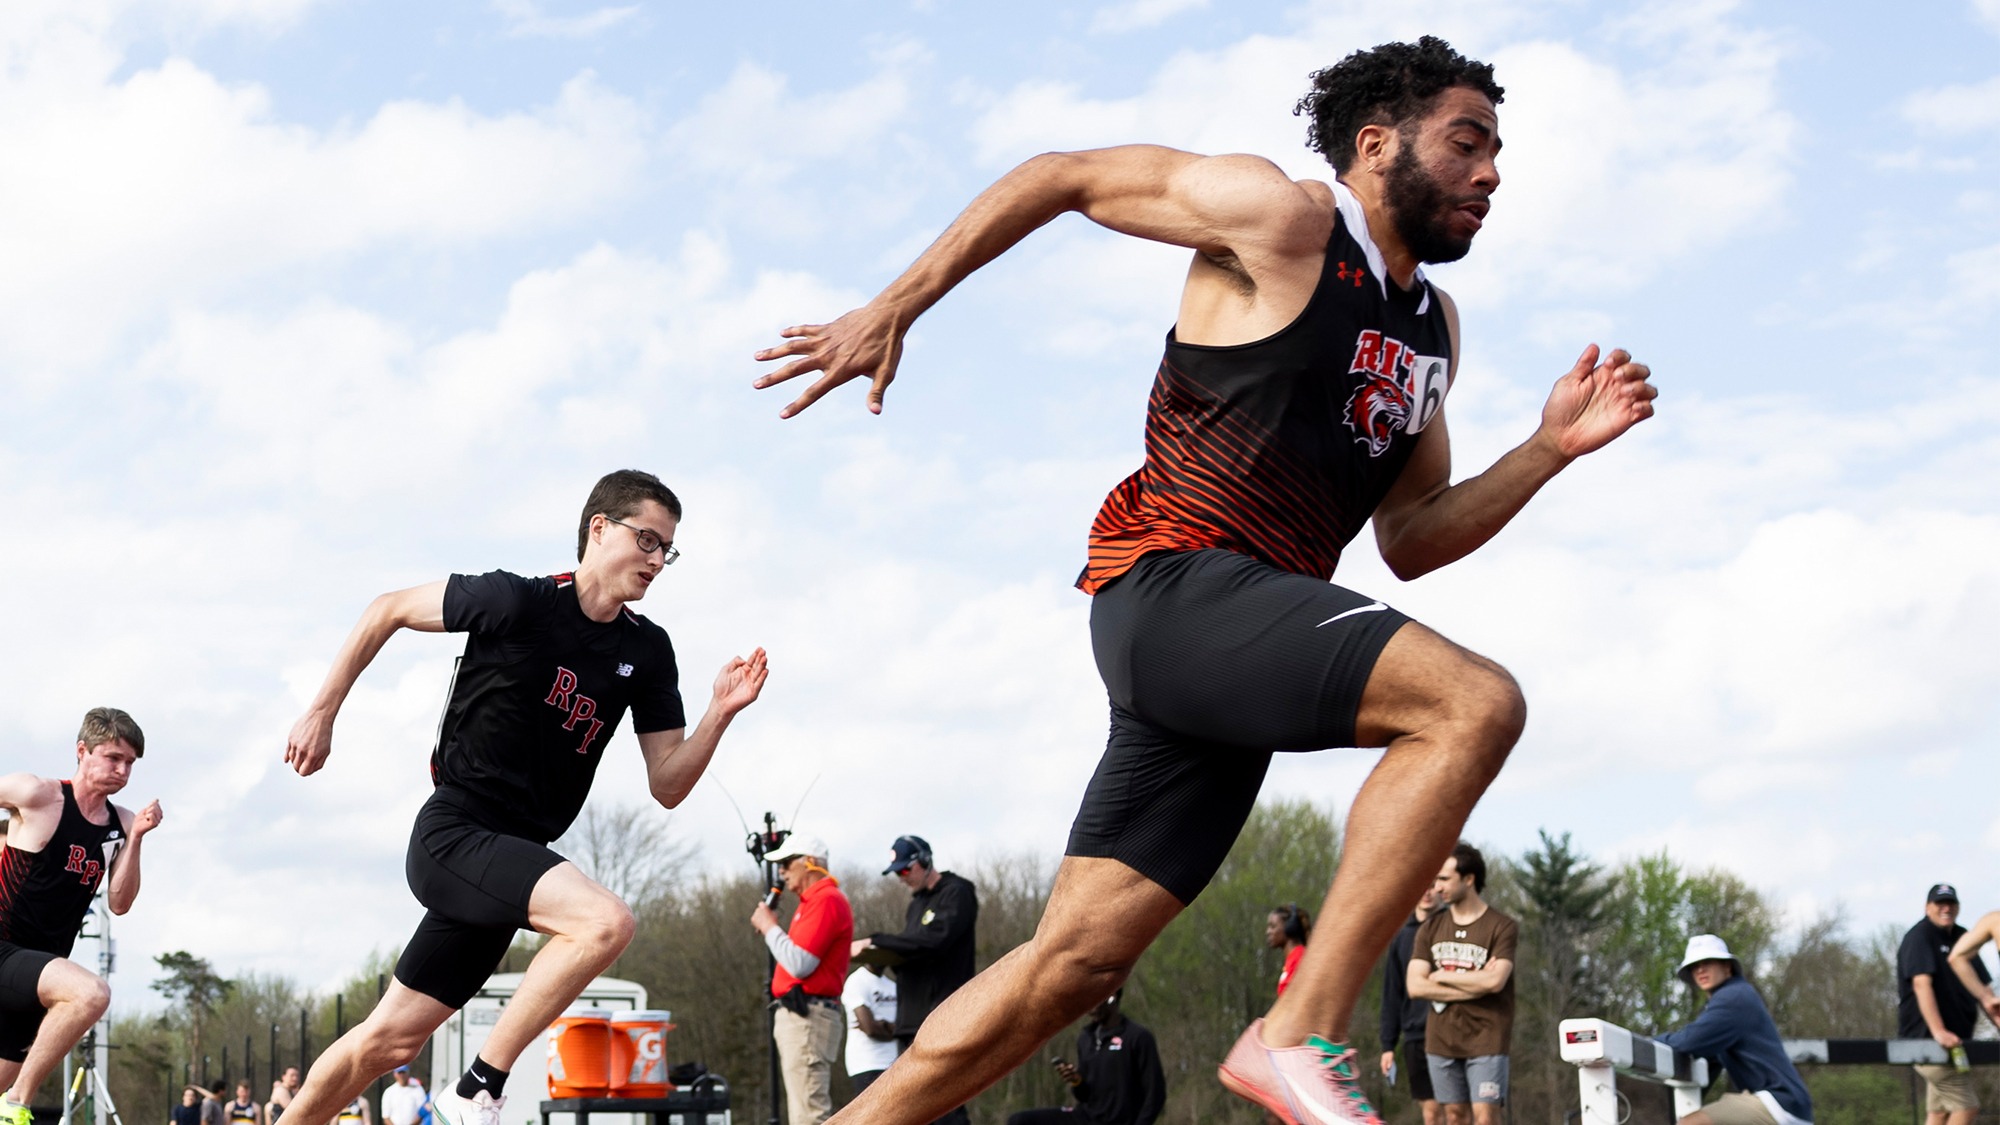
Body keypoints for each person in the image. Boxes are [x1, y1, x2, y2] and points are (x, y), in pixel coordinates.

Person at [754, 33, 1654, 1125]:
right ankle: (1294, 1029)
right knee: (1473, 704)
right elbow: (1062, 176)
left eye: (1497, 152)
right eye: (1466, 144)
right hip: (1174, 588)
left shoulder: (1429, 328)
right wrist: (895, 304)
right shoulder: (1279, 218)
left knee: (1071, 966)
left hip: (1234, 657)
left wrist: (1546, 450)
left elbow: (1410, 536)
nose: (1491, 173)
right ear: (1376, 145)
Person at [278, 470, 769, 1125]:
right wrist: (322, 710)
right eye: (647, 539)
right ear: (599, 527)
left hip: (514, 858)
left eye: (667, 550)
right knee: (604, 922)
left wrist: (720, 712)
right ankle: (477, 1086)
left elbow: (669, 784)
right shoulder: (516, 601)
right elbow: (386, 607)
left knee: (386, 1041)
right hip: (455, 832)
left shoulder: (647, 652)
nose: (657, 560)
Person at [0, 708, 163, 1125]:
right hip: (5, 948)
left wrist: (137, 840)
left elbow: (120, 903)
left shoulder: (121, 824)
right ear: (82, 751)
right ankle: (18, 1102)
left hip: (39, 973)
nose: (123, 770)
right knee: (91, 994)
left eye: (130, 763)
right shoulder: (37, 793)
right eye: (113, 758)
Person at [850, 836, 978, 1125]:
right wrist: (879, 955)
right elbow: (912, 955)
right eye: (896, 873)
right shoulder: (916, 906)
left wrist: (878, 940)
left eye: (905, 870)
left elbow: (934, 941)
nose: (901, 878)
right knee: (918, 1106)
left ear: (925, 861)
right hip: (912, 1019)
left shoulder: (957, 892)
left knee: (947, 1102)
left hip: (944, 1012)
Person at [1407, 844, 1515, 1125]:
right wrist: (1475, 982)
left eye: (1444, 879)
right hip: (1441, 1039)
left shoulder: (1502, 926)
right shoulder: (1429, 929)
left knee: (1486, 1117)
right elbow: (1415, 986)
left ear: (1469, 880)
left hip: (1487, 1037)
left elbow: (1495, 981)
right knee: (1454, 1117)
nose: (1437, 886)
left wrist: (1441, 975)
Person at [1654, 934, 1812, 1125]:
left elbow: (1689, 1041)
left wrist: (1650, 1043)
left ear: (1727, 967)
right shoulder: (1733, 999)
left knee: (1689, 1124)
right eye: (1694, 966)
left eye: (1707, 962)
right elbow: (1708, 1061)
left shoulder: (1733, 998)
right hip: (1785, 1104)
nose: (1700, 969)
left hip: (1779, 1103)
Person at [751, 834, 853, 1125]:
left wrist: (770, 927)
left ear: (808, 863)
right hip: (804, 1015)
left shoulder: (826, 900)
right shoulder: (814, 901)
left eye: (786, 862)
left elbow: (800, 964)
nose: (781, 871)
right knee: (803, 1110)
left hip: (808, 1017)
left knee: (809, 1114)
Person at [1898, 884, 1986, 1125]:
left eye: (1951, 904)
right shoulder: (1919, 937)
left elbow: (1984, 991)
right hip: (1927, 1041)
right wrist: (1938, 1031)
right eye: (1940, 904)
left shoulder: (1963, 937)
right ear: (1928, 908)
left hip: (1955, 1045)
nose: (1946, 909)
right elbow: (1921, 985)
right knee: (1966, 1106)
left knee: (1939, 1112)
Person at [1007, 991, 1164, 1125]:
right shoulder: (1086, 1038)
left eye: (1095, 999)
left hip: (1118, 1121)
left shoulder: (1137, 1037)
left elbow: (1155, 1094)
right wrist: (1076, 1080)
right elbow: (1084, 1095)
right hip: (1085, 1117)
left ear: (1112, 996)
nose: (1090, 1007)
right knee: (1019, 1121)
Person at [1379, 888, 1441, 1125]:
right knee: (1431, 1113)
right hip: (1415, 1036)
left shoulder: (1451, 929)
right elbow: (1391, 994)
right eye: (1421, 884)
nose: (1426, 892)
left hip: (1450, 1032)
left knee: (1456, 1111)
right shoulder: (1402, 937)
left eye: (1433, 884)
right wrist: (1387, 1045)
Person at [843, 963, 899, 1097]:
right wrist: (894, 1029)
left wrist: (884, 1025)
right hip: (867, 1063)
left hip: (895, 1062)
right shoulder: (857, 981)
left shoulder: (893, 985)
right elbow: (870, 1029)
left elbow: (906, 1027)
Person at [1946, 906, 2000, 1022]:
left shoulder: (1994, 920)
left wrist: (1987, 999)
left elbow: (1956, 957)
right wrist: (1987, 998)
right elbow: (1957, 958)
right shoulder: (1995, 921)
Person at [1268, 905, 1311, 997]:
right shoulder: (1292, 959)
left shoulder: (1300, 958)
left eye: (1273, 926)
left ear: (1290, 928)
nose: (1268, 932)